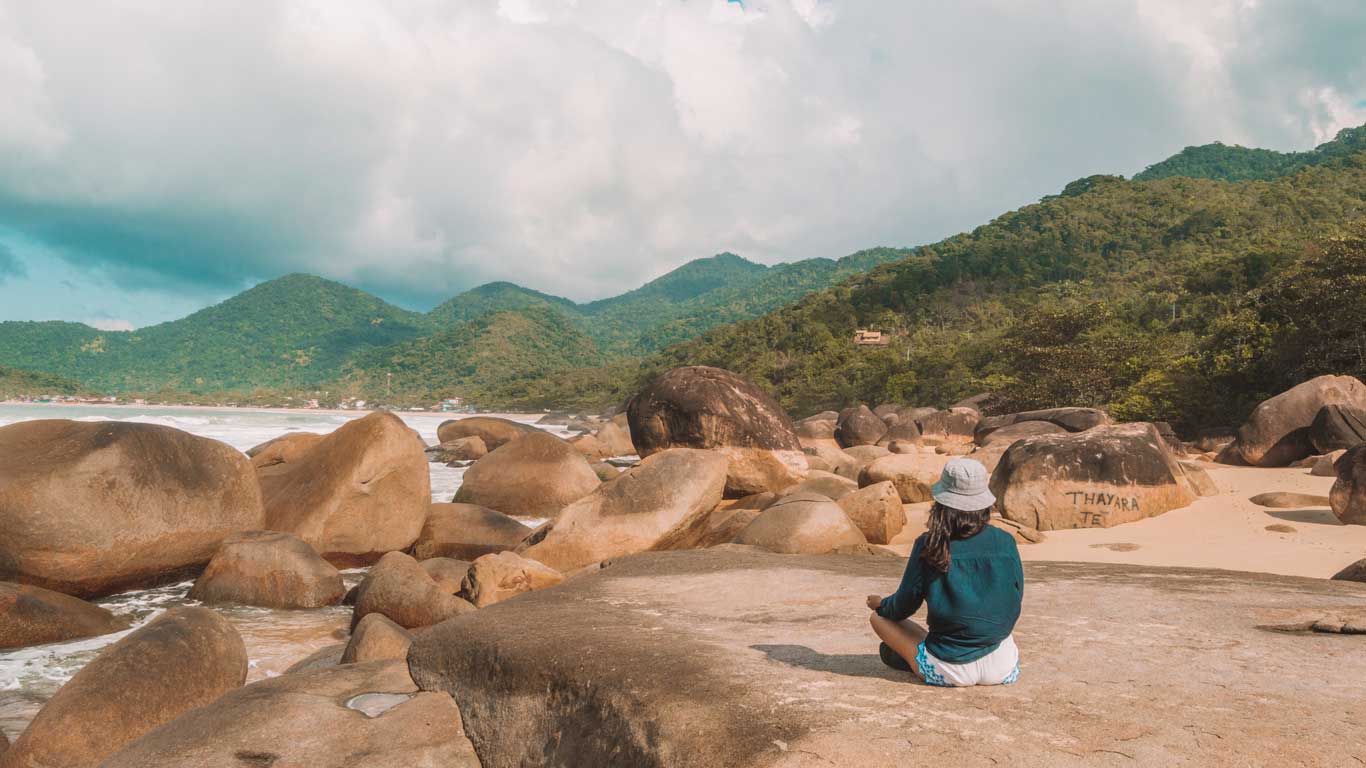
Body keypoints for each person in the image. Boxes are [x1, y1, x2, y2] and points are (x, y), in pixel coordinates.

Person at [866, 457, 1023, 687]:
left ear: (942, 502)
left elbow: (903, 606)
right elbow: (1015, 597)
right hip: (1001, 666)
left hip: (949, 669)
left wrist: (880, 604)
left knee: (879, 619)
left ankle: (911, 658)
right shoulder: (1006, 541)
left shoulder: (930, 544)